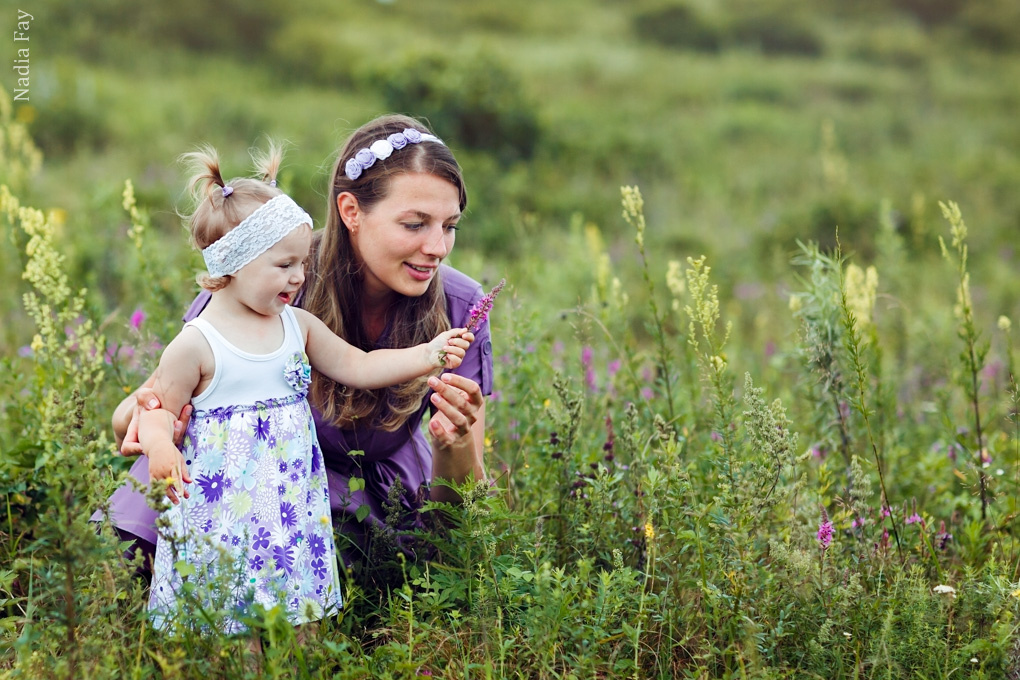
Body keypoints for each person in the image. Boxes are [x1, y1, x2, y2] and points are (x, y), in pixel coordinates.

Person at [99, 115, 493, 582]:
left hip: (369, 493)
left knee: (333, 562)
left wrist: (455, 444)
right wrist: (150, 423)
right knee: (149, 502)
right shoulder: (269, 277)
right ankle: (131, 596)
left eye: (450, 226)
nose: (438, 247)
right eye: (414, 224)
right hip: (251, 469)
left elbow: (462, 507)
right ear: (351, 210)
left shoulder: (461, 306)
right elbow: (141, 408)